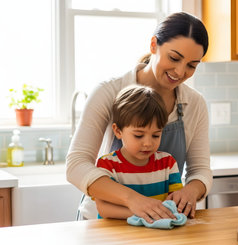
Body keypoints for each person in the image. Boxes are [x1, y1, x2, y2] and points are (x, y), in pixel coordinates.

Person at [66, 12, 212, 223]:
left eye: (192, 65)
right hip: (104, 224)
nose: (180, 72)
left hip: (161, 222)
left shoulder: (194, 103)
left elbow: (200, 171)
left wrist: (191, 191)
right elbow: (76, 165)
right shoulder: (109, 91)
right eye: (174, 58)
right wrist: (133, 200)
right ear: (154, 45)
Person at [95, 85, 183, 219]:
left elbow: (174, 203)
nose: (148, 143)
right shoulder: (108, 165)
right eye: (138, 135)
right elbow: (104, 209)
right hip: (118, 237)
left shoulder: (167, 163)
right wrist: (144, 214)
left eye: (156, 135)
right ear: (118, 131)